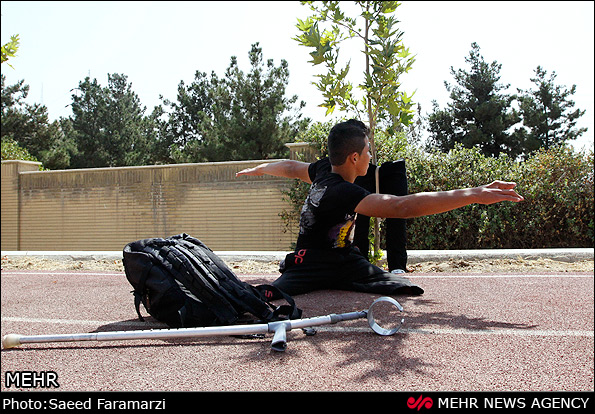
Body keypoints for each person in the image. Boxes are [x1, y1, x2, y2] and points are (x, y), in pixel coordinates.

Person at [236, 119, 524, 298]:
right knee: (264, 296)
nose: (370, 155)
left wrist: (260, 169)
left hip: (346, 260)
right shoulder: (341, 190)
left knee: (404, 289)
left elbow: (288, 166)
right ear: (354, 157)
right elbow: (402, 206)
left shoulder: (323, 169)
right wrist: (474, 194)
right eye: (368, 151)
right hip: (309, 263)